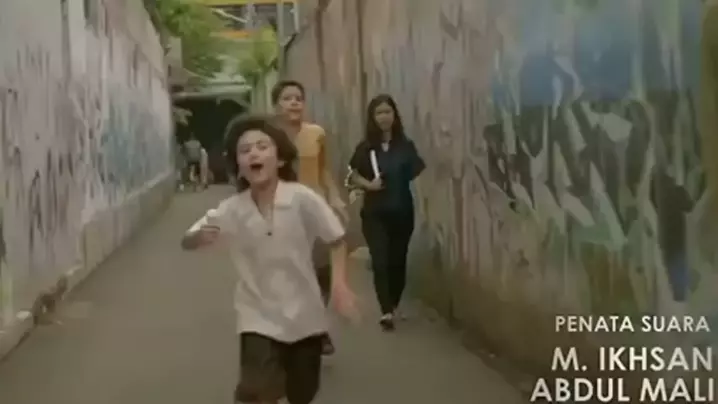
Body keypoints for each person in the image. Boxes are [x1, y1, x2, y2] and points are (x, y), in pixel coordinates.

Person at [181, 115, 358, 404]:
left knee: (303, 393)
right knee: (256, 391)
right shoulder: (232, 209)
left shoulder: (302, 198)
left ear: (280, 159)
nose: (253, 153)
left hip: (305, 316)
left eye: (262, 147)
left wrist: (339, 285)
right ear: (238, 165)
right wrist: (198, 238)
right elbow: (187, 240)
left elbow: (337, 239)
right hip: (257, 315)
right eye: (245, 150)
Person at [271, 79, 348, 355]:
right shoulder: (267, 138)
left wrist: (335, 197)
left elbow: (324, 170)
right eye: (287, 98)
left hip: (314, 210)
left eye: (298, 98)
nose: (294, 103)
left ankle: (316, 327)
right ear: (276, 105)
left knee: (321, 272)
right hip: (280, 212)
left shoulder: (316, 134)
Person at [348, 94, 425, 331]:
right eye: (379, 112)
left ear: (394, 115)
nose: (383, 117)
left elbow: (415, 170)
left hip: (401, 211)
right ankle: (386, 311)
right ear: (372, 117)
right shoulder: (365, 148)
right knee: (380, 260)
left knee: (397, 261)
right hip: (374, 213)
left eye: (387, 112)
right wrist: (368, 185)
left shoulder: (405, 146)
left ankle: (393, 302)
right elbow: (351, 175)